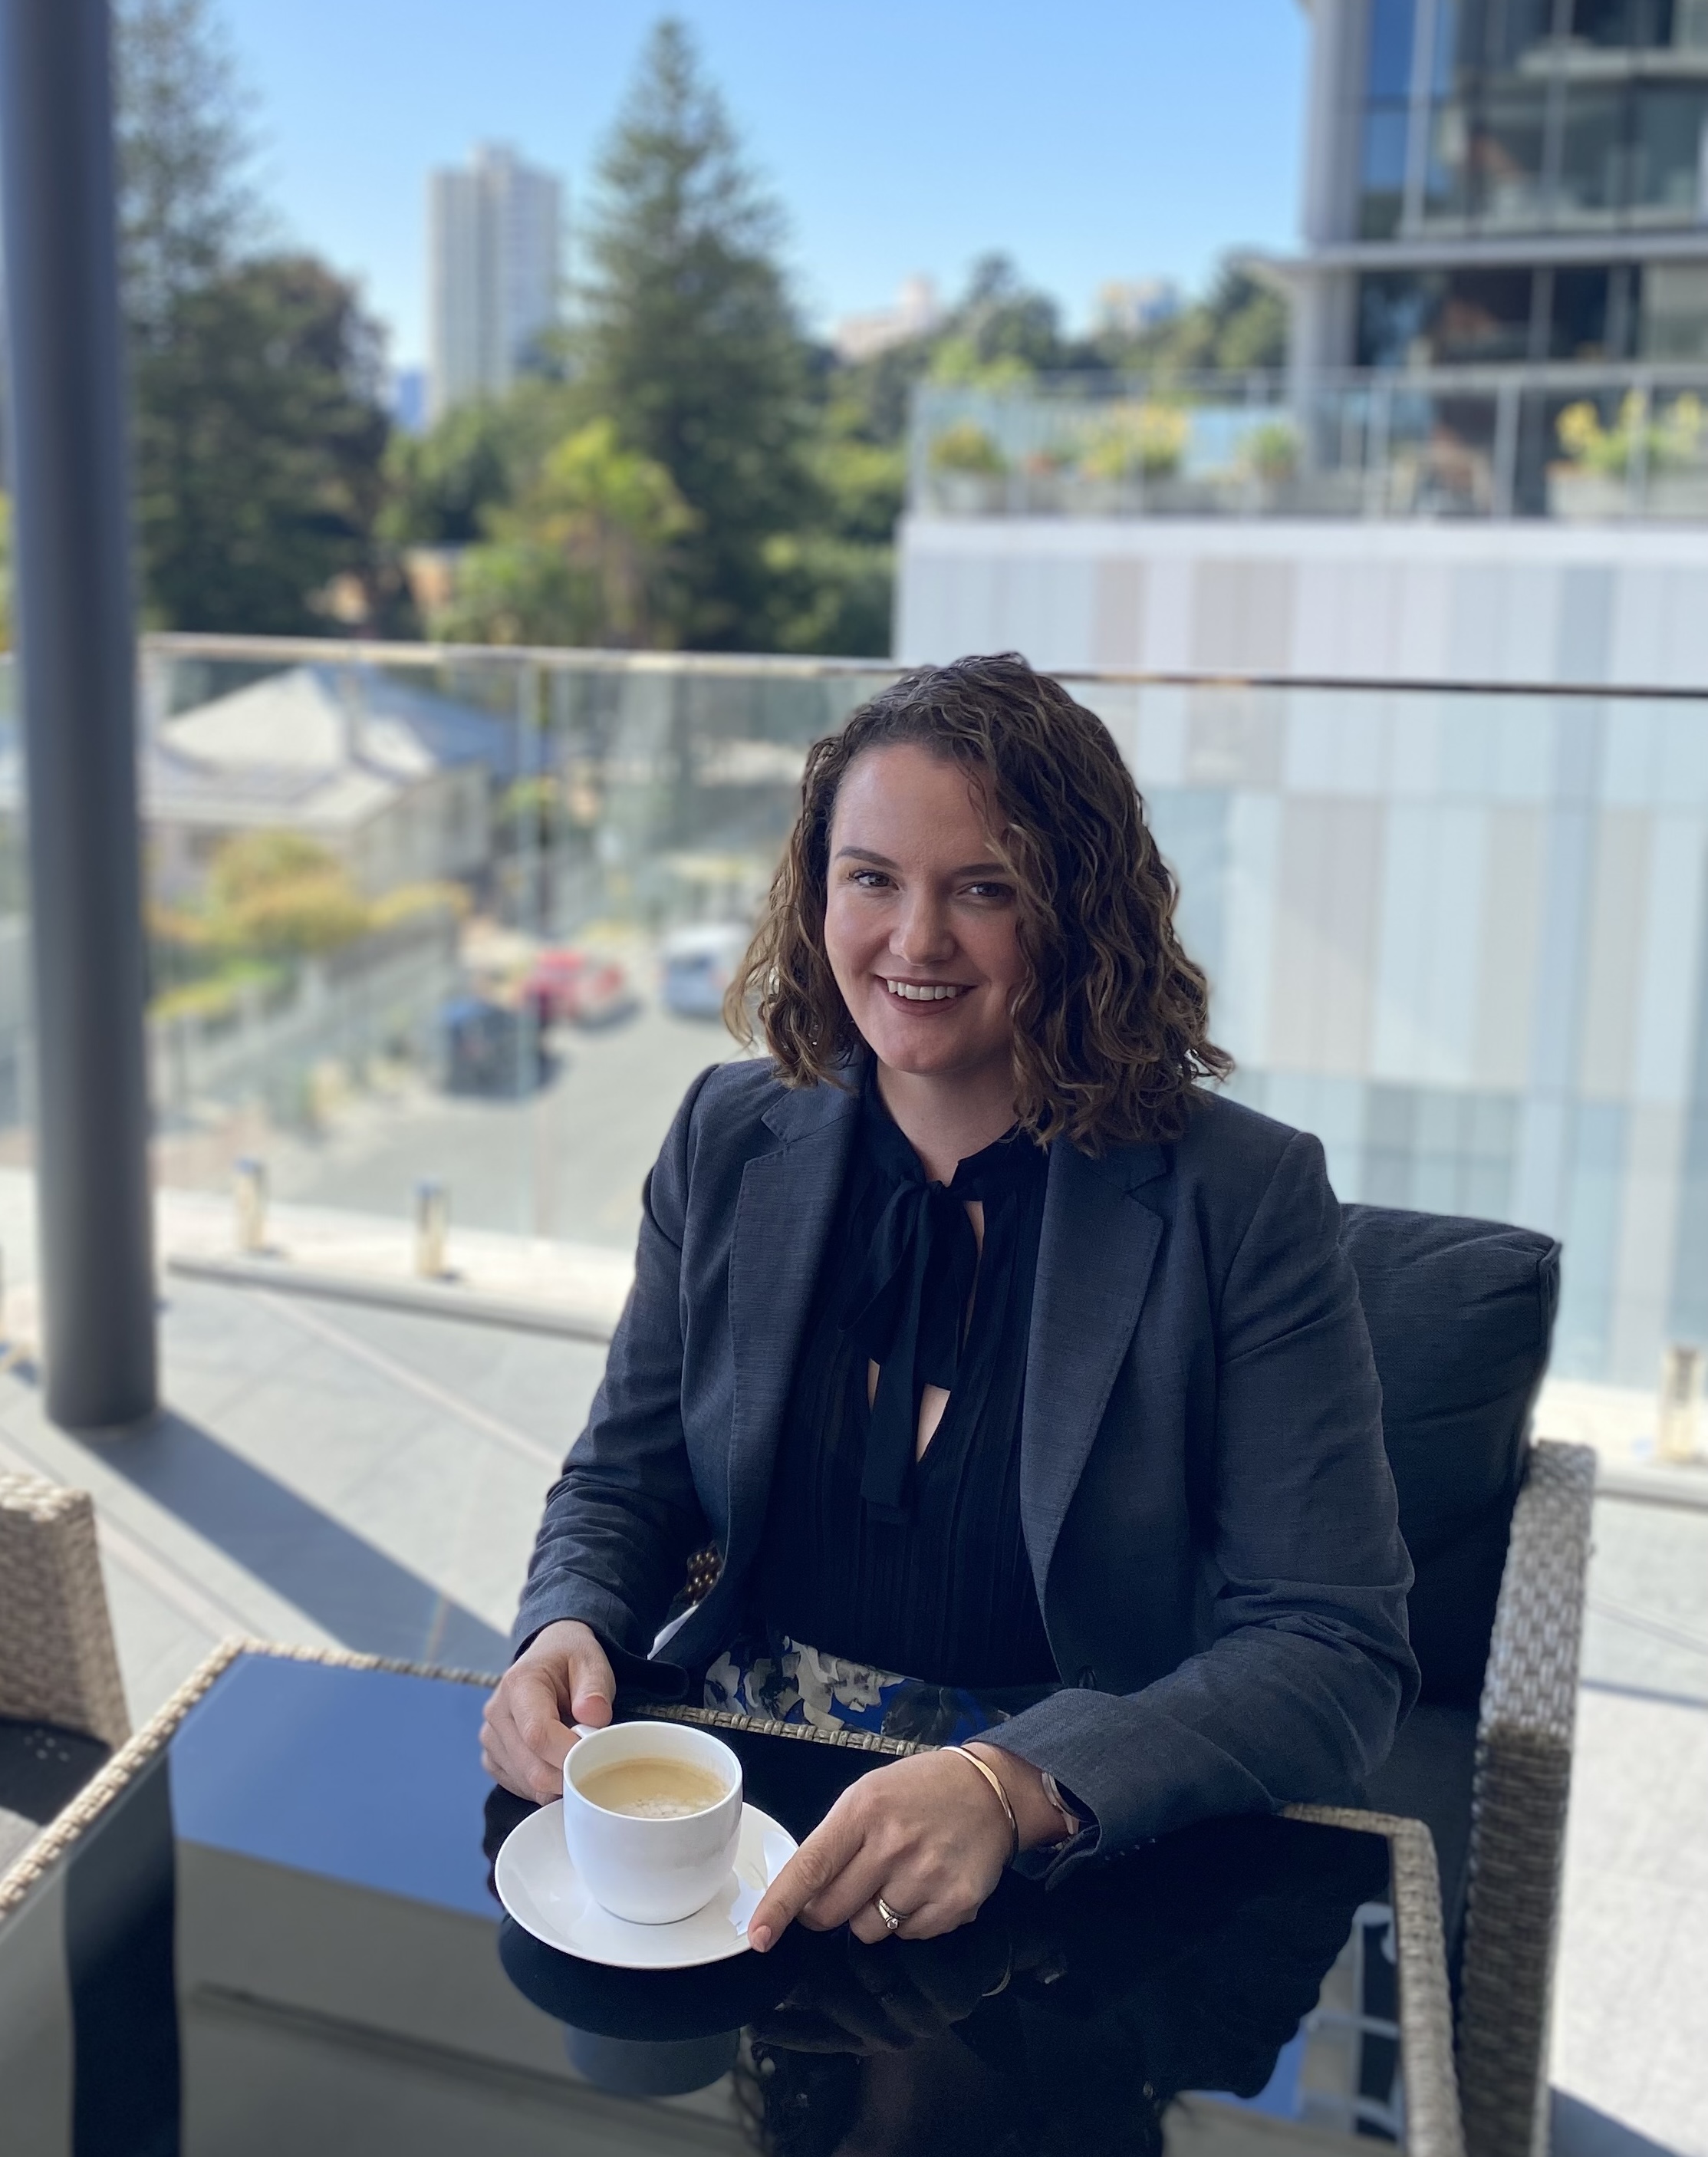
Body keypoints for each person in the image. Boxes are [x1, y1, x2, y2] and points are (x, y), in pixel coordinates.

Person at [482, 653, 1417, 1956]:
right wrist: (564, 1624)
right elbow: (622, 1481)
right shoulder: (727, 1133)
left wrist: (1012, 1786)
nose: (915, 942)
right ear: (818, 893)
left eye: (985, 889)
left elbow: (1332, 1647)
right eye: (872, 879)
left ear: (1079, 914)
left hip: (1073, 1846)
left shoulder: (1242, 1198)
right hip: (737, 1816)